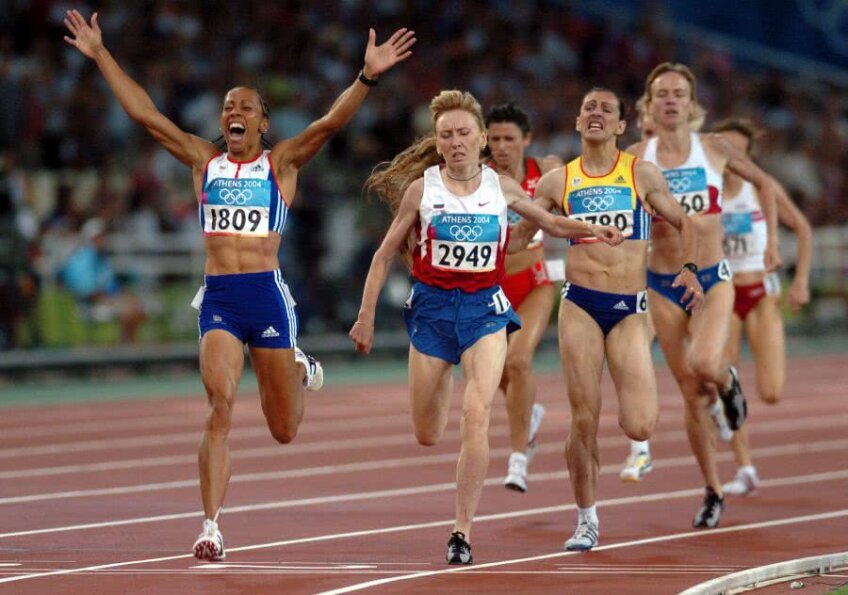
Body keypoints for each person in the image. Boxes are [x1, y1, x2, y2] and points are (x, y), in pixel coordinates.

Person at [63, 9, 416, 561]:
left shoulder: (283, 164)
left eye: (245, 106)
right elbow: (147, 117)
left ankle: (297, 367)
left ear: (262, 124)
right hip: (221, 300)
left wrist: (367, 76)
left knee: (283, 431)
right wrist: (102, 54)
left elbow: (329, 124)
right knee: (219, 408)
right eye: (228, 105)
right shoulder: (203, 161)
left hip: (267, 297)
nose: (234, 111)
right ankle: (210, 527)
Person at [349, 89, 623, 565]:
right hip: (432, 312)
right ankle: (444, 378)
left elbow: (552, 226)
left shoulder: (501, 188)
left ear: (480, 140)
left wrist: (592, 229)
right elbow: (383, 254)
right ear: (438, 142)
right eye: (446, 135)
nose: (455, 142)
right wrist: (365, 316)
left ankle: (461, 532)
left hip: (485, 311)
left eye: (463, 133)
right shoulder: (423, 189)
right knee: (427, 432)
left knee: (476, 414)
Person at [511, 87, 704, 552]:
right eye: (589, 108)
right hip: (579, 304)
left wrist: (691, 269)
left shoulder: (640, 173)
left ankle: (637, 447)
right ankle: (586, 519)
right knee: (583, 419)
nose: (596, 114)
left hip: (628, 309)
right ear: (579, 122)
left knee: (639, 425)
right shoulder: (557, 182)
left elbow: (686, 223)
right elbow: (517, 240)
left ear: (621, 126)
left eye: (607, 110)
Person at [626, 62, 781, 529]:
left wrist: (772, 242)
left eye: (678, 94)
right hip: (662, 283)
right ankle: (713, 490)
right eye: (661, 94)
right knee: (691, 395)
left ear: (691, 106)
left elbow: (765, 184)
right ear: (650, 105)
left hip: (713, 278)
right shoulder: (635, 157)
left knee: (706, 365)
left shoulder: (714, 149)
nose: (669, 100)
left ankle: (729, 385)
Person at [618, 96, 732, 483]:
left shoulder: (702, 155)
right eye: (646, 130)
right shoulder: (634, 165)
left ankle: (719, 395)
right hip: (652, 279)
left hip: (702, 275)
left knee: (700, 368)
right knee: (632, 356)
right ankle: (640, 450)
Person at [713, 118, 812, 496]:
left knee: (770, 391)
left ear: (748, 155)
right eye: (727, 149)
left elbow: (802, 227)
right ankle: (745, 467)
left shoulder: (760, 189)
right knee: (727, 381)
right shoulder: (707, 191)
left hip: (760, 294)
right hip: (722, 293)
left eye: (740, 149)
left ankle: (741, 447)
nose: (732, 156)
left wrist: (800, 280)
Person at [485, 102, 563, 493]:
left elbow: (572, 197)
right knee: (497, 373)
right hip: (490, 289)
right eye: (494, 138)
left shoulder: (543, 173)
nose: (501, 147)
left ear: (526, 140)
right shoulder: (477, 177)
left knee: (518, 361)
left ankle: (518, 460)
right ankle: (527, 413)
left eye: (509, 139)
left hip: (534, 282)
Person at [58, 218, 147, 343]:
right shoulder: (82, 260)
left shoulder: (102, 258)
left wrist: (120, 297)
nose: (103, 240)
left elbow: (111, 285)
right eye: (99, 237)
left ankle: (126, 347)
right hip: (91, 304)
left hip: (107, 299)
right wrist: (114, 300)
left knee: (136, 307)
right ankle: (126, 348)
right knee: (130, 309)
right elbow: (86, 291)